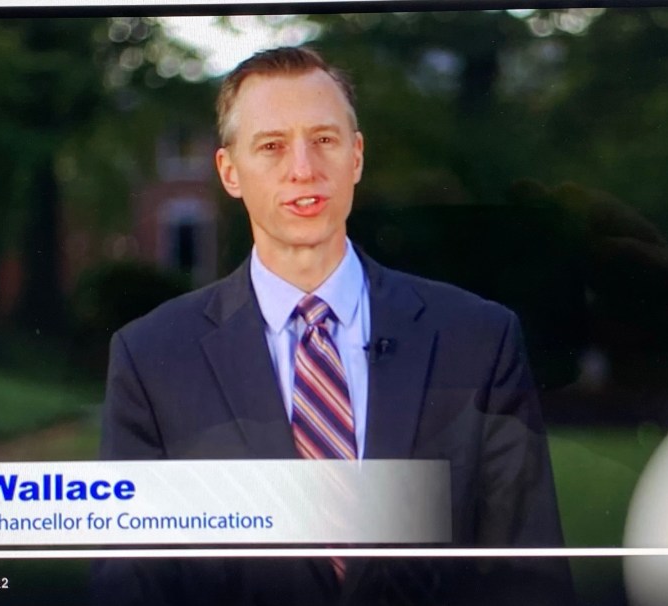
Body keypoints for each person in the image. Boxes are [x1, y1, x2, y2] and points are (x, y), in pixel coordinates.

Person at [94, 46, 573, 605]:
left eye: (324, 140)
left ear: (357, 156)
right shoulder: (152, 359)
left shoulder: (477, 340)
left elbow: (530, 580)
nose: (304, 168)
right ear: (229, 172)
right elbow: (131, 588)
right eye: (272, 146)